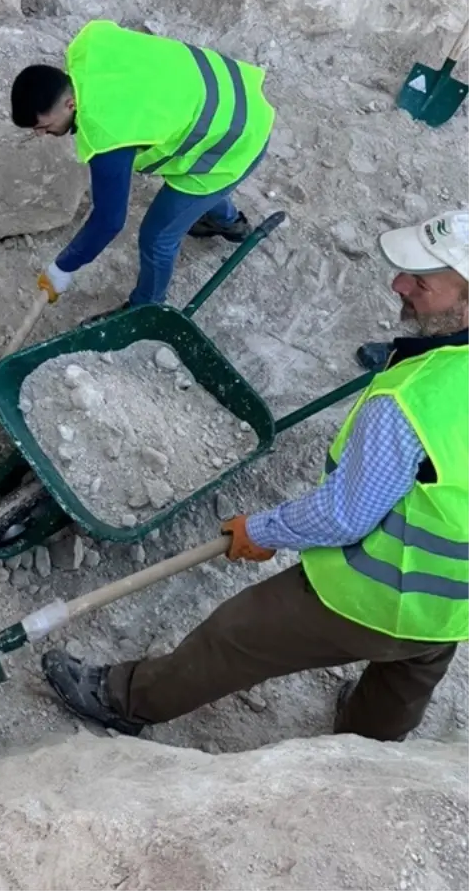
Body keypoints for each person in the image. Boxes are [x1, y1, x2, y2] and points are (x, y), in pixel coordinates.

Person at [42, 209, 469, 743]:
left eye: (423, 282)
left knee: (235, 636)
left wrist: (259, 531)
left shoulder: (411, 403)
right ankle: (370, 746)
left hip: (379, 594)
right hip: (454, 605)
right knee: (412, 667)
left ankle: (125, 700)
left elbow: (344, 515)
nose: (398, 284)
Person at [10, 20, 275, 309]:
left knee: (157, 236)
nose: (40, 134)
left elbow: (109, 221)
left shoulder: (106, 135)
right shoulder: (90, 43)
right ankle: (228, 222)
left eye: (44, 126)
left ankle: (146, 306)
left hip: (236, 142)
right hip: (233, 93)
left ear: (70, 104)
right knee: (186, 191)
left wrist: (62, 268)